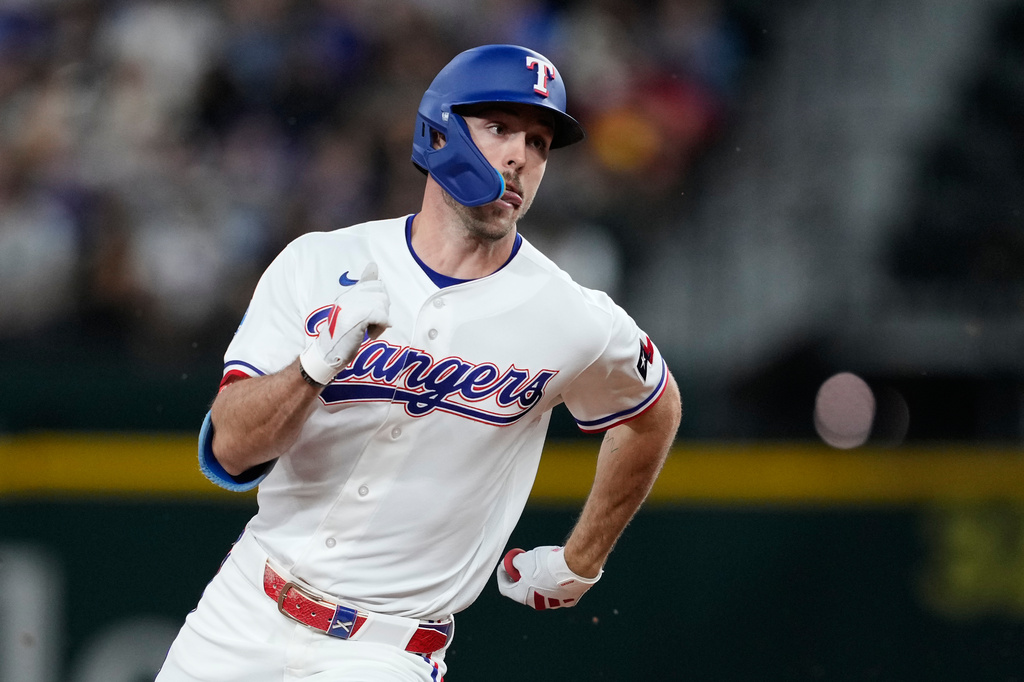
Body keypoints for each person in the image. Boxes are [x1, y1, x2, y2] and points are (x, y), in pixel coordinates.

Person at [157, 44, 681, 682]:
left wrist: (583, 558)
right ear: (441, 132)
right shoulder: (319, 261)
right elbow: (232, 452)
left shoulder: (572, 317)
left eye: (540, 143)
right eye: (499, 129)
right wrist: (311, 370)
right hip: (242, 609)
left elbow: (655, 410)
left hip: (384, 650)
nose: (521, 156)